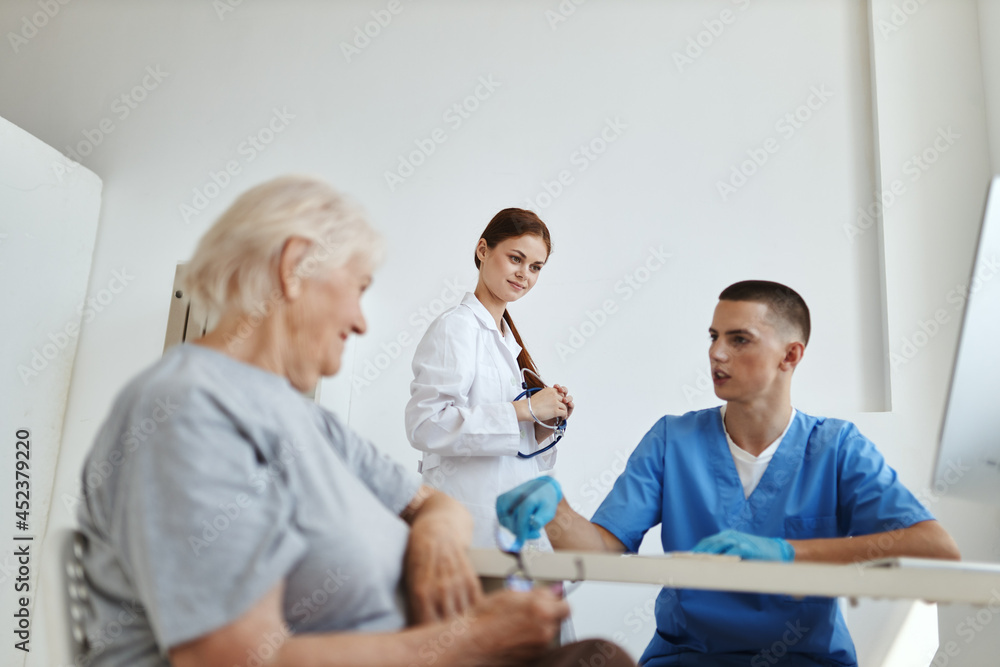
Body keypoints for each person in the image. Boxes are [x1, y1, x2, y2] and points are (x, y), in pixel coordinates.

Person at [74, 176, 635, 667]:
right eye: (359, 288)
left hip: (439, 618)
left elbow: (429, 501)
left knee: (599, 658)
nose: (362, 321)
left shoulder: (303, 420)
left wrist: (438, 531)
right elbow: (230, 657)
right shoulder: (190, 410)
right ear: (294, 269)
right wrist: (467, 642)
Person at [496, 280, 961, 666]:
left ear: (790, 355)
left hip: (804, 659)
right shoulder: (673, 440)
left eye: (739, 339)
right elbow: (600, 550)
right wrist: (556, 509)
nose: (717, 353)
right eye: (713, 336)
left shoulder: (836, 448)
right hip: (688, 657)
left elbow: (937, 549)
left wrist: (785, 552)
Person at [406, 208, 574, 549]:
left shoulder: (508, 342)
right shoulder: (457, 327)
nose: (524, 274)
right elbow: (425, 425)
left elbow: (513, 449)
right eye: (516, 258)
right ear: (483, 250)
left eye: (535, 267)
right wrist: (524, 410)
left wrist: (542, 422)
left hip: (511, 527)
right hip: (466, 527)